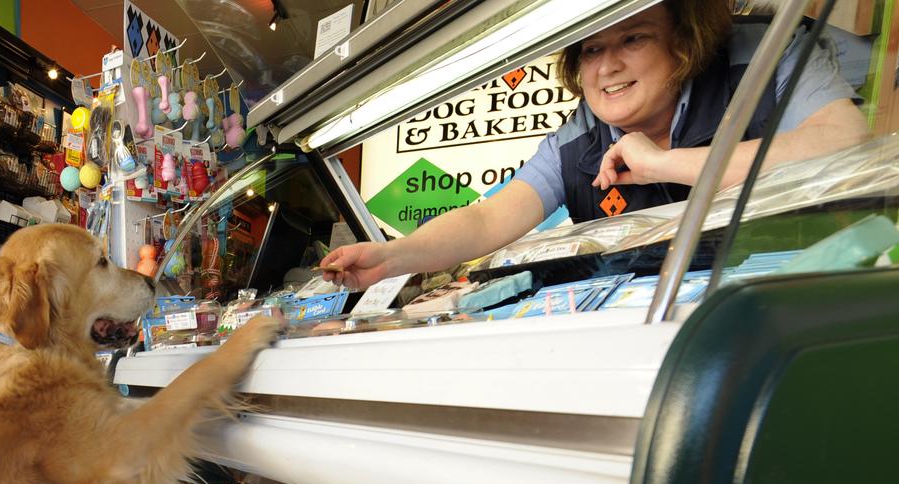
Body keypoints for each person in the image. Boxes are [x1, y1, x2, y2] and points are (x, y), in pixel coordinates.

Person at [321, 0, 869, 289]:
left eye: (633, 38)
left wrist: (667, 164)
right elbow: (489, 221)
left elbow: (841, 142)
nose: (607, 66)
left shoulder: (766, 54)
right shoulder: (577, 135)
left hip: (791, 306)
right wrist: (391, 258)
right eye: (590, 49)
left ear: (683, 41)